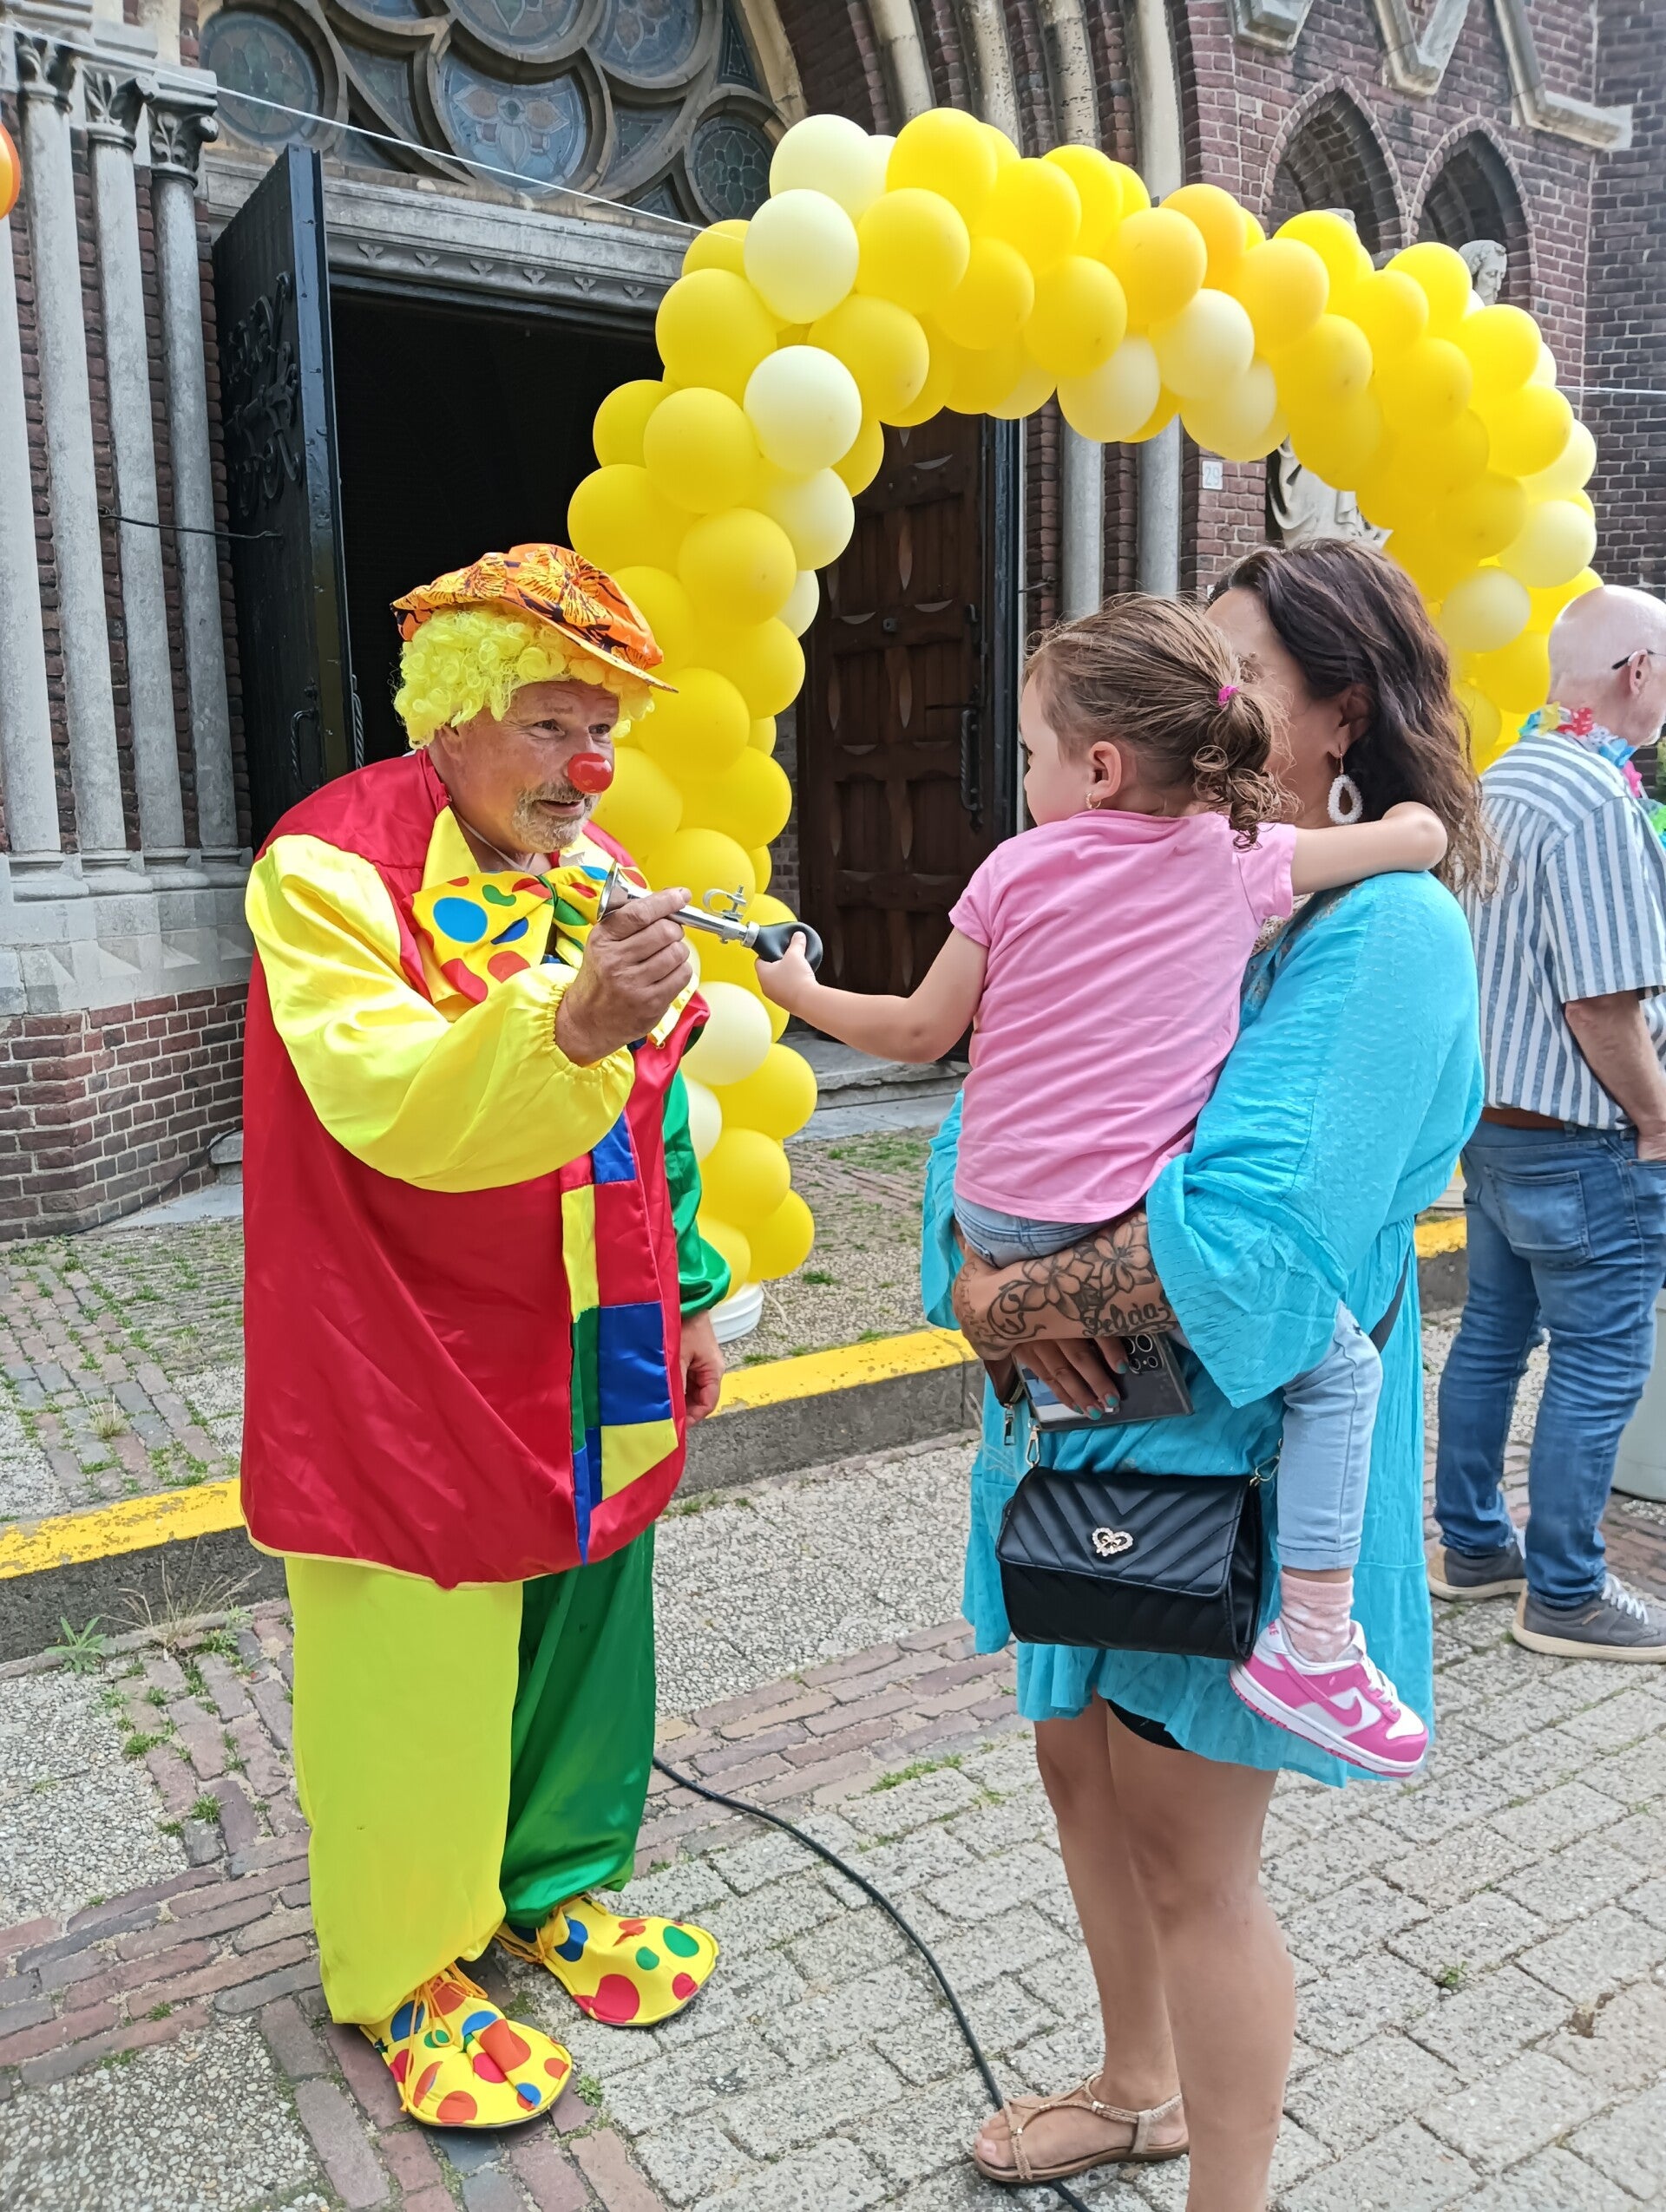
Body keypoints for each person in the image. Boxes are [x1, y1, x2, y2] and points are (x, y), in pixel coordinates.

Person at [926, 540, 1482, 2208]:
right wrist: (979, 1271)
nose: (1208, 715)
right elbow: (983, 1112)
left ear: (1341, 717)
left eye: (1239, 680)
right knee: (1074, 1765)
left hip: (1232, 1475)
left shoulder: (1383, 932)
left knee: (1192, 1855)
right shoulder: (1146, 870)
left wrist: (1008, 1290)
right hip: (1079, 1456)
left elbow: (1244, 1250)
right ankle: (1134, 2083)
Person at [760, 596, 1446, 1774]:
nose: (1023, 776)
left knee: (1145, 1838)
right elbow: (1412, 843)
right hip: (1105, 1241)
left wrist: (800, 993)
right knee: (1343, 1368)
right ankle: (1320, 1640)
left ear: (1102, 765)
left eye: (1030, 756)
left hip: (1002, 1224)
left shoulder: (1014, 873)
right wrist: (1420, 819)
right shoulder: (1243, 867)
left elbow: (928, 1037)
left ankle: (1120, 1555)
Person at [241, 545, 729, 2129]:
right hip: (403, 1351)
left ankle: (560, 1875)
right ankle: (412, 1966)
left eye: (606, 732)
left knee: (593, 1611)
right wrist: (567, 1023)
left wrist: (699, 1292)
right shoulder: (326, 872)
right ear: (451, 717)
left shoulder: (596, 869)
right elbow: (386, 1099)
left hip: (596, 1336)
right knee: (419, 1656)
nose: (591, 769)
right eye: (552, 726)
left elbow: (656, 1109)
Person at [1431, 584, 1666, 1658]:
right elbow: (1604, 1003)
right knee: (1602, 1356)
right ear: (1639, 672)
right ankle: (1566, 1591)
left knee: (1491, 1334)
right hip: (1586, 1138)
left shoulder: (1502, 779)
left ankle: (1473, 1546)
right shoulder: (1596, 800)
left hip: (1495, 1122)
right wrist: (1659, 1122)